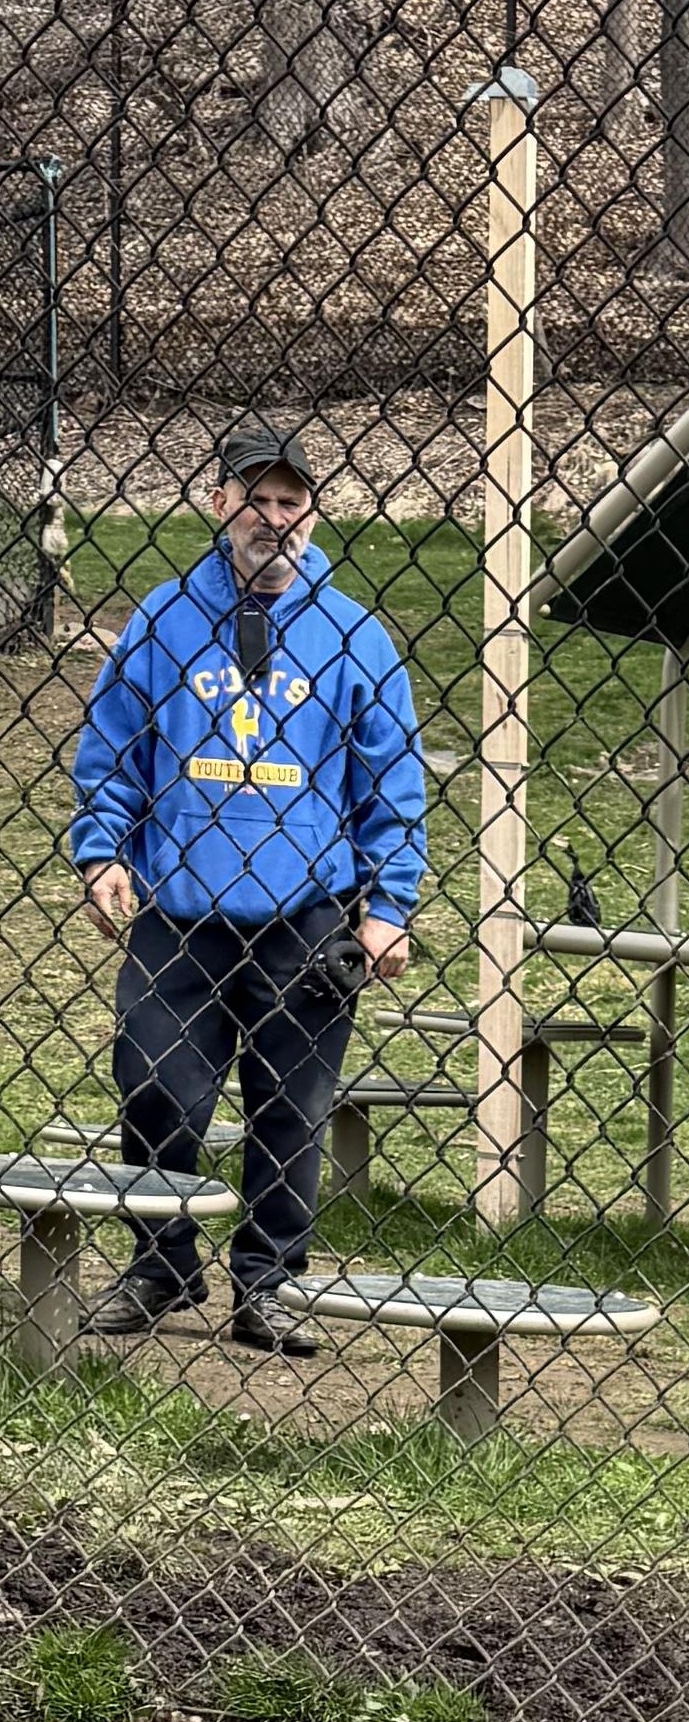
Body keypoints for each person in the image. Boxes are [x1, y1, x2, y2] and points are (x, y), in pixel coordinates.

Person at [69, 421, 428, 1356]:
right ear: (220, 503)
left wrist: (388, 907)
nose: (274, 518)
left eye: (290, 502)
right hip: (181, 910)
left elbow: (392, 784)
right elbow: (112, 751)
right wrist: (102, 854)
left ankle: (269, 1281)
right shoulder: (162, 620)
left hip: (305, 916)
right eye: (256, 499)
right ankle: (162, 1264)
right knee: (155, 1086)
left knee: (292, 1108)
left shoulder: (355, 635)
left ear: (314, 513)